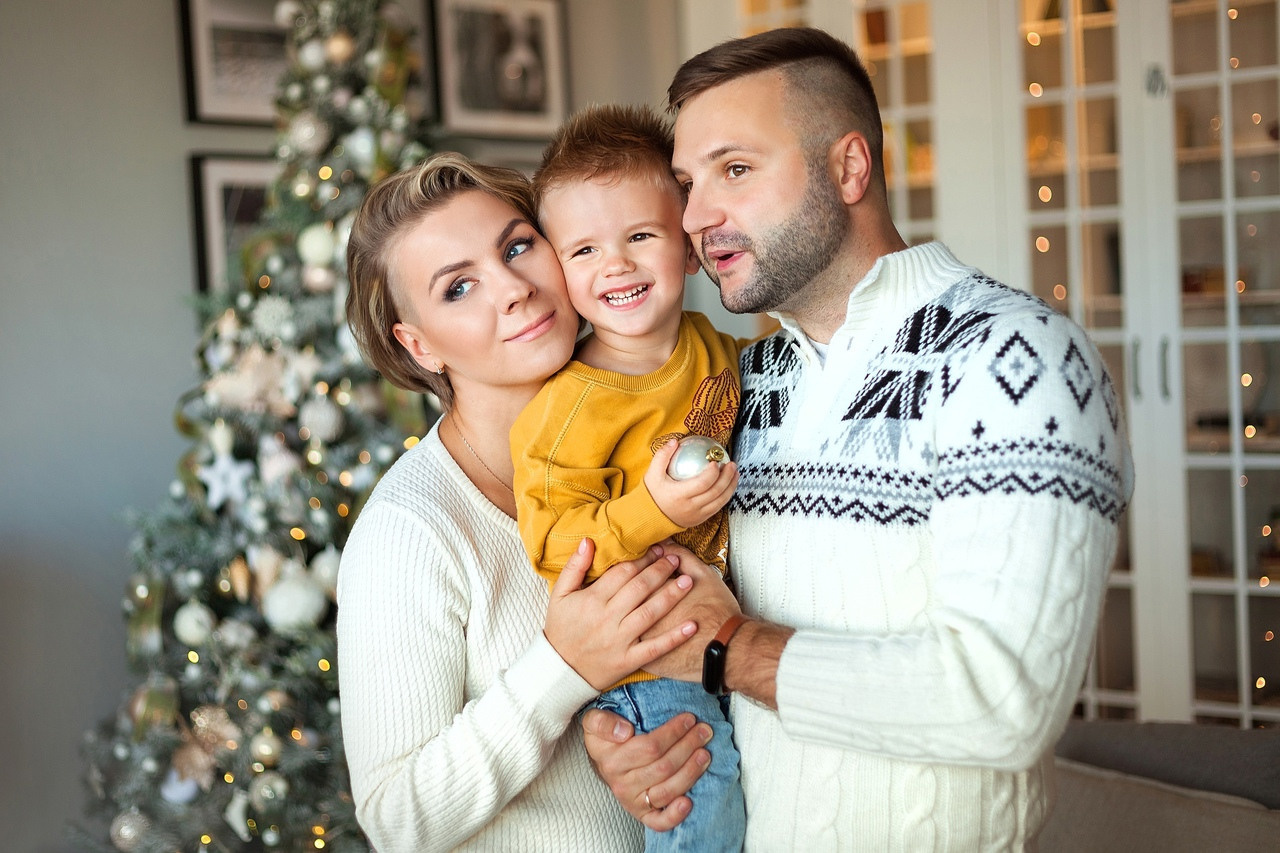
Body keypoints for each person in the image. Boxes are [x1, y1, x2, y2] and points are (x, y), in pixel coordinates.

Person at [582, 27, 1135, 850]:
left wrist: (731, 649)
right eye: (689, 183)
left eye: (735, 170)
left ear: (849, 167)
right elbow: (681, 629)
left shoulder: (1013, 357)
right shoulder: (740, 383)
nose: (695, 217)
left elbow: (1002, 701)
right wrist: (628, 736)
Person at [336, 151, 701, 852]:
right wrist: (562, 667)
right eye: (459, 287)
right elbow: (395, 819)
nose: (512, 288)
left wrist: (618, 742)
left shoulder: (656, 416)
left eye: (517, 246)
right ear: (417, 346)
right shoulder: (410, 530)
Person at [512, 104, 746, 852]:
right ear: (560, 272)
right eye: (582, 250)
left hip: (715, 627)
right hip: (646, 652)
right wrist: (650, 507)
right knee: (703, 807)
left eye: (640, 236)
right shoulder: (570, 405)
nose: (614, 264)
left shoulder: (717, 347)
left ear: (689, 245)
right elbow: (551, 543)